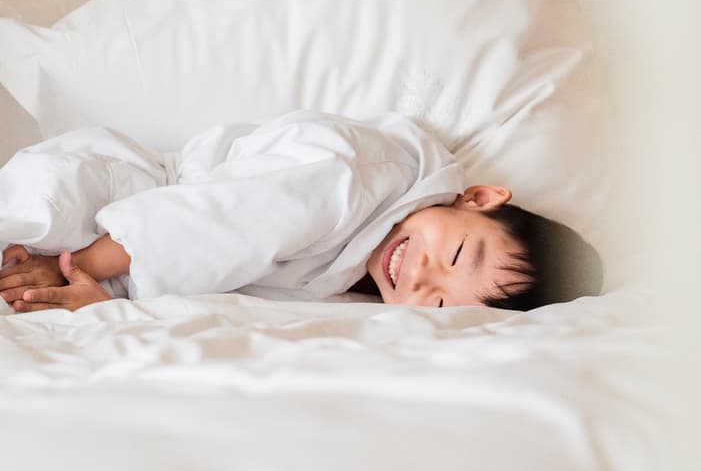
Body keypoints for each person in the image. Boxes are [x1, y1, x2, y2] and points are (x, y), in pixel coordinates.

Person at [0, 111, 602, 313]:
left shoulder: (361, 275)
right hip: (120, 196)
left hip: (131, 256)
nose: (421, 278)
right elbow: (219, 221)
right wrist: (76, 267)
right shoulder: (358, 176)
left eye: (440, 304)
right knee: (25, 222)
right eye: (455, 254)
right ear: (478, 198)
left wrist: (106, 301)